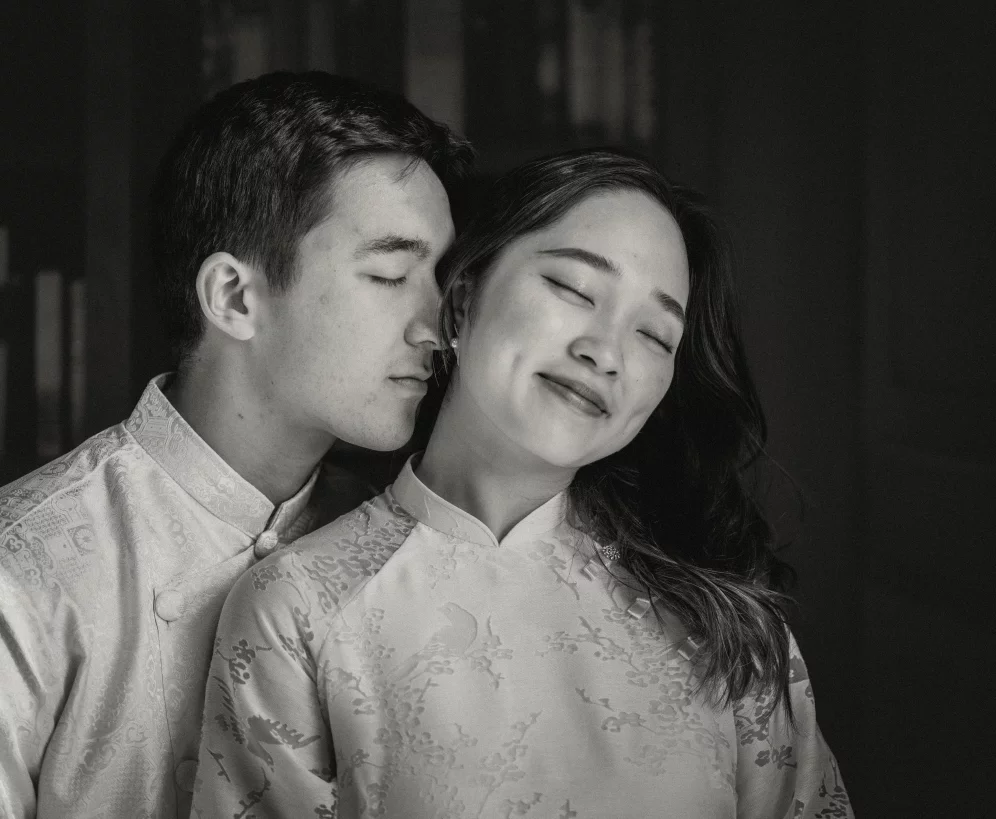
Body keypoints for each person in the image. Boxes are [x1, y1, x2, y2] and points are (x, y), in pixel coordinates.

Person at [190, 149, 852, 818]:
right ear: (464, 298)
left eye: (654, 334)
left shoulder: (727, 628)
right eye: (573, 289)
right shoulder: (299, 606)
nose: (606, 350)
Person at [0, 71, 472, 819]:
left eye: (439, 279)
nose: (436, 326)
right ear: (234, 297)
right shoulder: (25, 570)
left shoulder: (407, 546)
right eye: (389, 274)